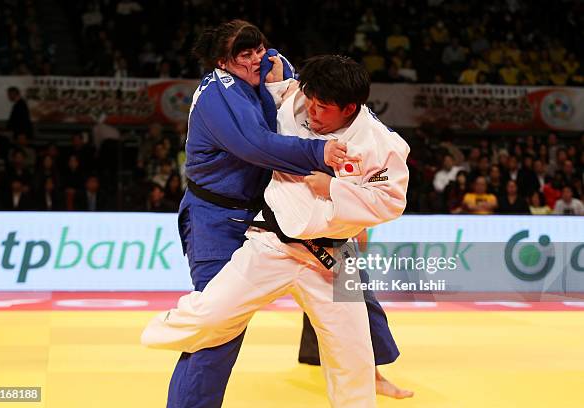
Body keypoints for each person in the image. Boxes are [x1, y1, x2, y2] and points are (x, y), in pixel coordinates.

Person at [142, 54, 411, 407]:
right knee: (213, 313)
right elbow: (280, 90)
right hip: (272, 243)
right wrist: (275, 77)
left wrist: (332, 188)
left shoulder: (381, 144)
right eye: (311, 102)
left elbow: (390, 202)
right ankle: (155, 332)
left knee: (354, 355)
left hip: (334, 256)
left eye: (324, 108)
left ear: (349, 108)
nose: (313, 112)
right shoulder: (295, 103)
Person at [160, 20, 349, 408]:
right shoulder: (218, 93)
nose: (256, 59)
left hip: (267, 216)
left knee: (348, 286)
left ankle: (374, 367)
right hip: (216, 219)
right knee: (219, 328)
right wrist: (319, 155)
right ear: (222, 62)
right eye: (244, 54)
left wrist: (285, 78)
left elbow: (302, 103)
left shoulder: (270, 65)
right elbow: (255, 144)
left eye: (258, 48)